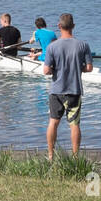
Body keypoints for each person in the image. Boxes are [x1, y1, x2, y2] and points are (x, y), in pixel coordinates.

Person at [41, 13, 92, 159]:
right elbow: (89, 68)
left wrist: (53, 69)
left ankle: (51, 155)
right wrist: (78, 67)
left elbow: (46, 70)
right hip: (74, 90)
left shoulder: (52, 46)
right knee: (74, 124)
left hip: (56, 90)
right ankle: (75, 158)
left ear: (59, 26)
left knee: (53, 122)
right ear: (73, 26)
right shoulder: (83, 45)